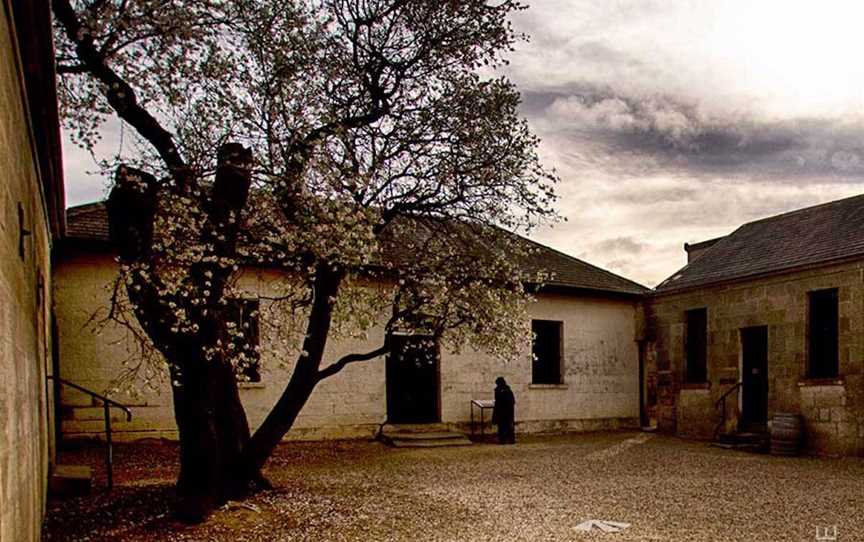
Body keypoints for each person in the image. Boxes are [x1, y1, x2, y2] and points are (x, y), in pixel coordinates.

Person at [492, 377, 516, 444]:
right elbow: (512, 401)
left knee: (503, 426)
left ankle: (504, 440)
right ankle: (508, 440)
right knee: (507, 426)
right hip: (507, 411)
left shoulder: (501, 390)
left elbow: (499, 400)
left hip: (503, 411)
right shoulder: (507, 390)